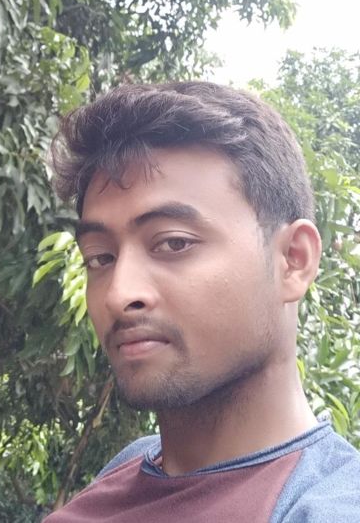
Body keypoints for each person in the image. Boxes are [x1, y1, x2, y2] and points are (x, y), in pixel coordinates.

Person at [44, 81, 360, 522]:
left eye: (174, 243)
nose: (118, 293)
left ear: (293, 260)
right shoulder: (131, 465)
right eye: (100, 258)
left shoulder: (323, 507)